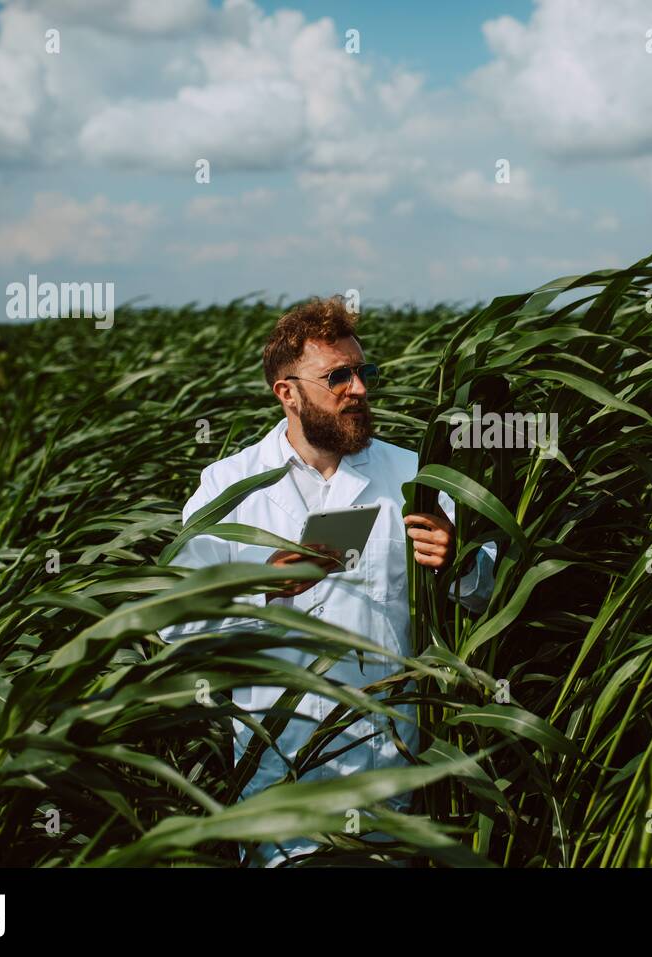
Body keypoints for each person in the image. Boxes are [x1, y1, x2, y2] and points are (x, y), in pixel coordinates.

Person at [159, 295, 496, 865]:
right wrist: (257, 587)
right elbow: (173, 625)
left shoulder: (410, 474)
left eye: (363, 372)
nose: (359, 389)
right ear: (286, 392)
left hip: (391, 785)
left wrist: (461, 559)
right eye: (337, 376)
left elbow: (488, 592)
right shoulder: (229, 488)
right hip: (280, 789)